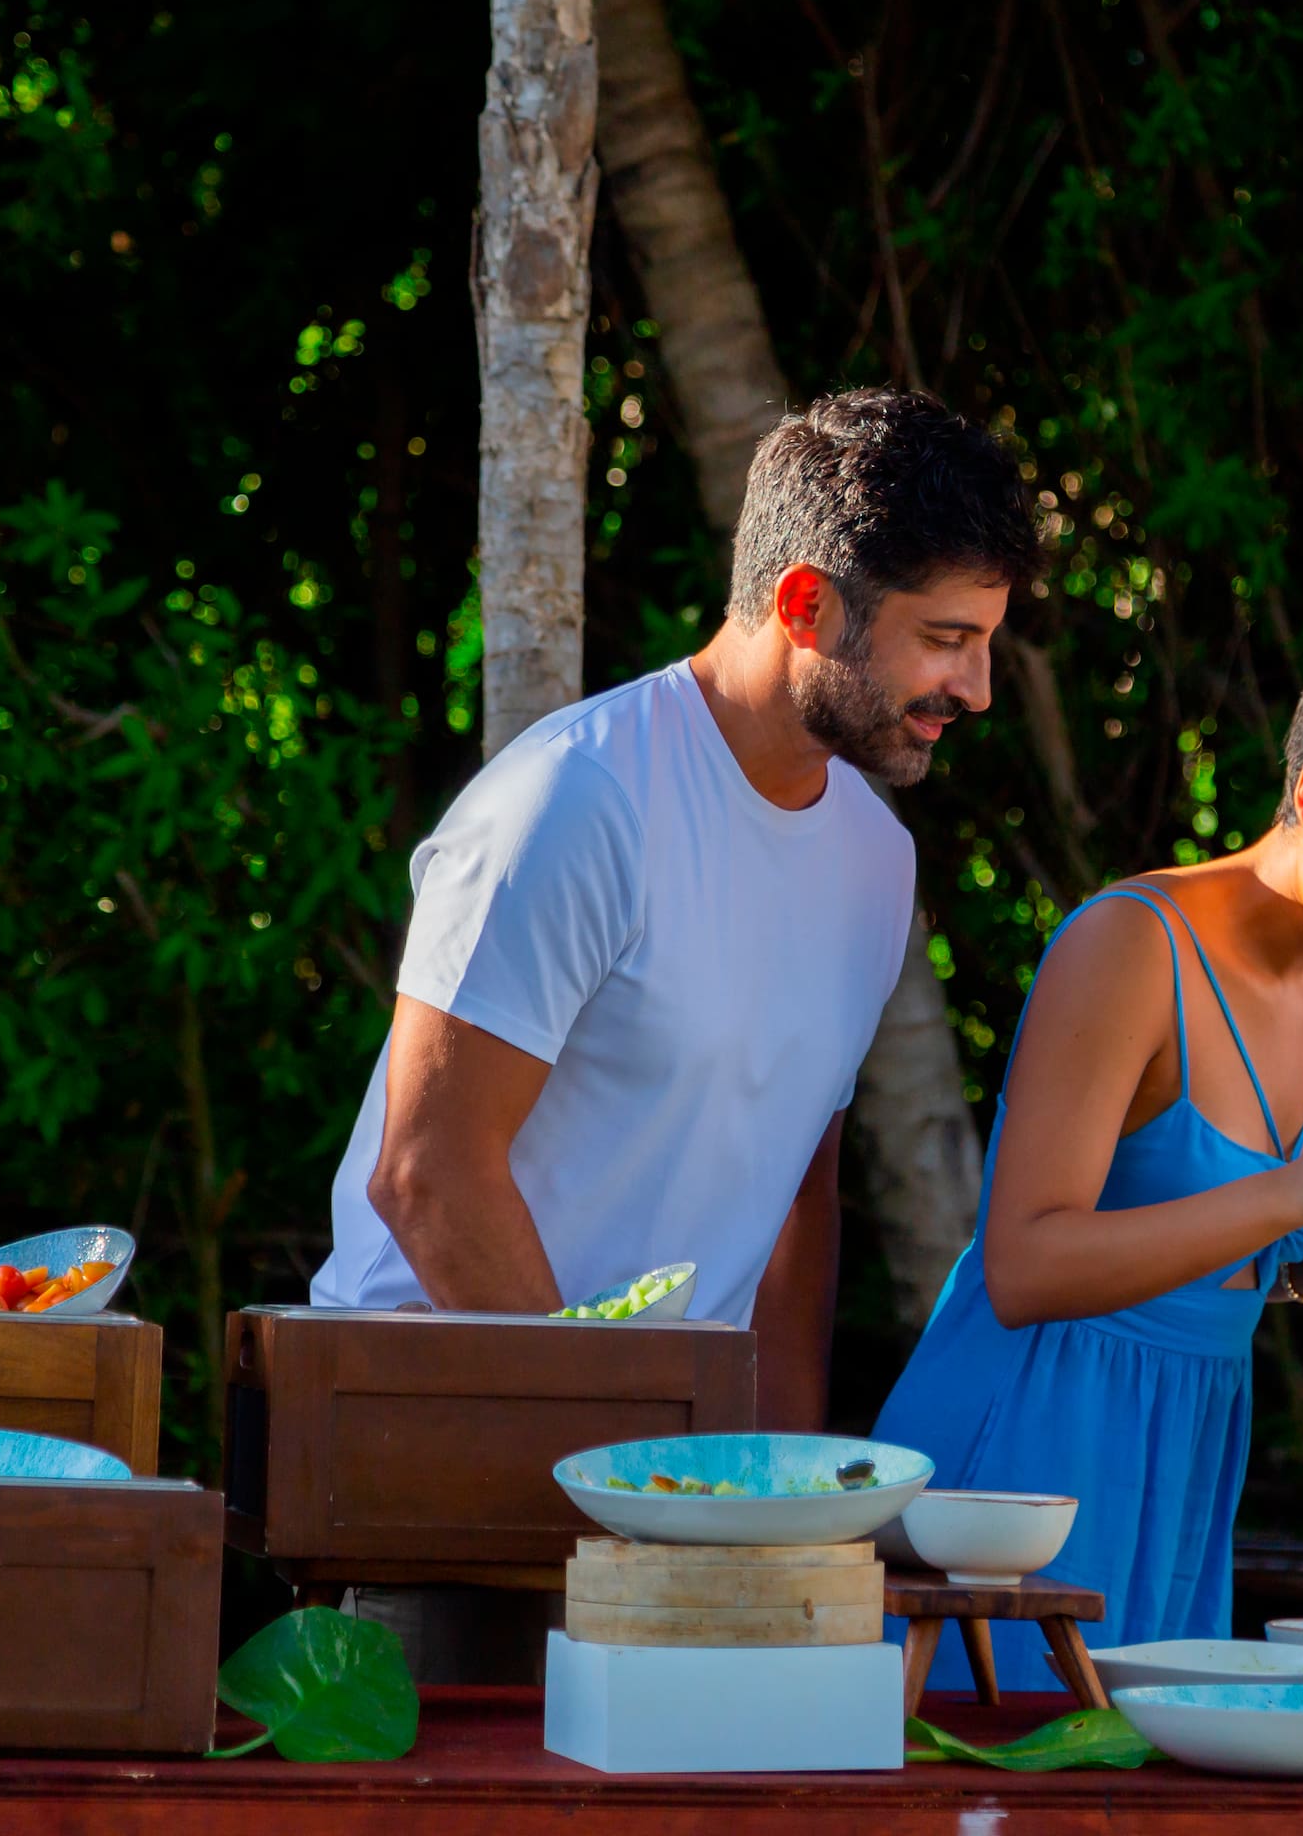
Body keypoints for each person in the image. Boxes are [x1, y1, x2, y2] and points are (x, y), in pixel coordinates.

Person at [308, 387, 1040, 1677]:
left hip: (680, 1493)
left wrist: (782, 1506)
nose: (974, 687)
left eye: (984, 641)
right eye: (943, 638)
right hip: (440, 1469)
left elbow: (792, 1199)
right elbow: (426, 1173)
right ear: (806, 604)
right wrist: (620, 1469)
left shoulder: (875, 859)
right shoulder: (573, 800)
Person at [873, 620, 1303, 1691]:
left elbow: (1248, 1263)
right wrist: (1302, 1184)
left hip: (1184, 1450)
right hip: (1026, 1458)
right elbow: (1022, 1266)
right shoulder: (1128, 946)